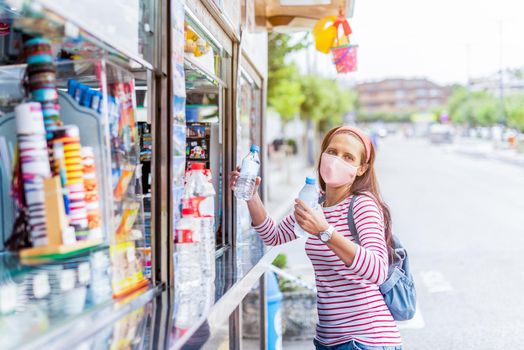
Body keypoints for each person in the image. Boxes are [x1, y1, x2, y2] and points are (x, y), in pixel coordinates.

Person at [230, 126, 402, 350]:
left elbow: (378, 270)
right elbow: (273, 236)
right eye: (331, 151)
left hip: (365, 339)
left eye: (348, 157)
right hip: (328, 339)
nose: (335, 160)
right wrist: (251, 195)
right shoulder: (316, 202)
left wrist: (326, 231)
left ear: (361, 169)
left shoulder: (362, 204)